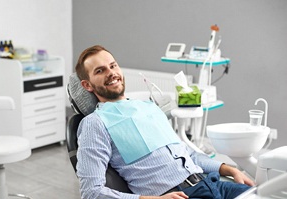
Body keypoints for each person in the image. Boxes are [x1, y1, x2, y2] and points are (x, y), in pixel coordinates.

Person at [75, 45, 254, 199]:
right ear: (87, 85)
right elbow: (91, 192)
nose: (111, 73)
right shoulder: (95, 123)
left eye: (113, 66)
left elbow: (188, 154)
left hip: (212, 184)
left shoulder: (149, 107)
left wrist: (230, 170)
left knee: (262, 194)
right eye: (100, 71)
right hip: (175, 194)